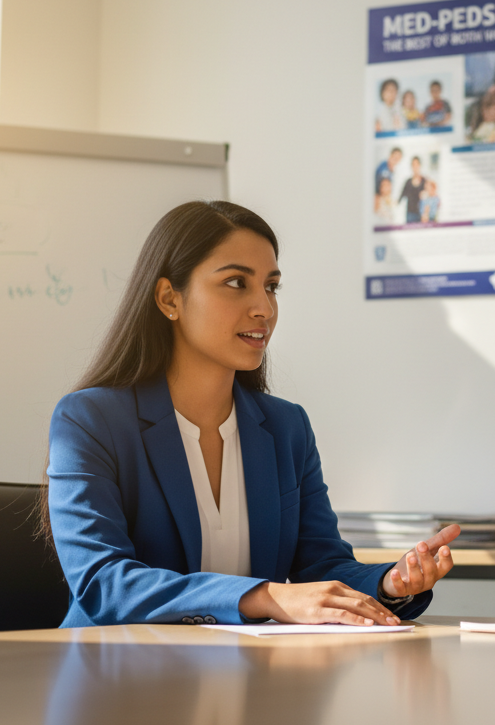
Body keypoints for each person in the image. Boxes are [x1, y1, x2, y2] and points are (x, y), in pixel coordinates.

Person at [44, 201, 458, 627]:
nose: (264, 308)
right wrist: (263, 596)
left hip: (246, 666)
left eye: (271, 286)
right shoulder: (89, 421)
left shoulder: (287, 428)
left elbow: (322, 566)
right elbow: (103, 583)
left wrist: (389, 583)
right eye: (236, 282)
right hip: (114, 665)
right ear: (170, 298)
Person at [374, 147, 403, 212]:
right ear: (391, 156)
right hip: (379, 201)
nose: (396, 161)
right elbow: (383, 188)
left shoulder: (391, 170)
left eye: (398, 159)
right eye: (395, 158)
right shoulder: (384, 168)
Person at [399, 156, 426, 224]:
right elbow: (401, 197)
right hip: (410, 213)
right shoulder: (408, 182)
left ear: (420, 165)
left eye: (417, 164)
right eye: (413, 164)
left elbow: (431, 195)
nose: (415, 167)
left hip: (422, 214)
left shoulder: (424, 181)